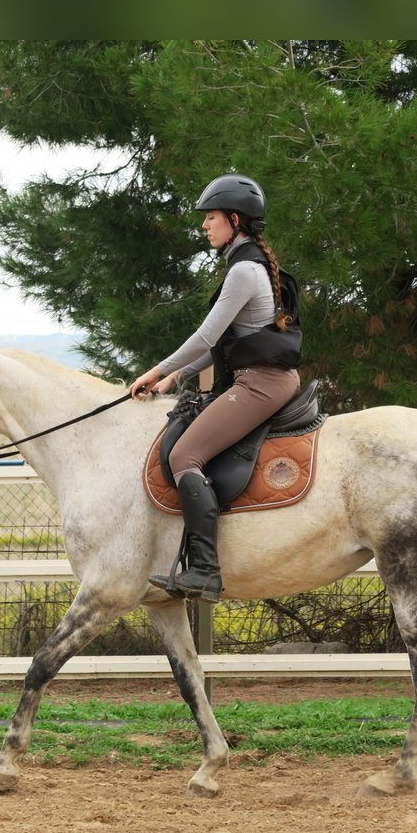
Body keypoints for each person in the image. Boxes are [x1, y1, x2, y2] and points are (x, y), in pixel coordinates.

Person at [129, 174, 302, 603]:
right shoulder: (246, 264)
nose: (205, 226)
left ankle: (205, 570)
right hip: (261, 379)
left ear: (235, 219)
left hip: (261, 385)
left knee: (185, 454)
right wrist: (176, 378)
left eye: (211, 218)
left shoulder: (244, 270)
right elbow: (226, 343)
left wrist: (156, 369)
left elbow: (206, 336)